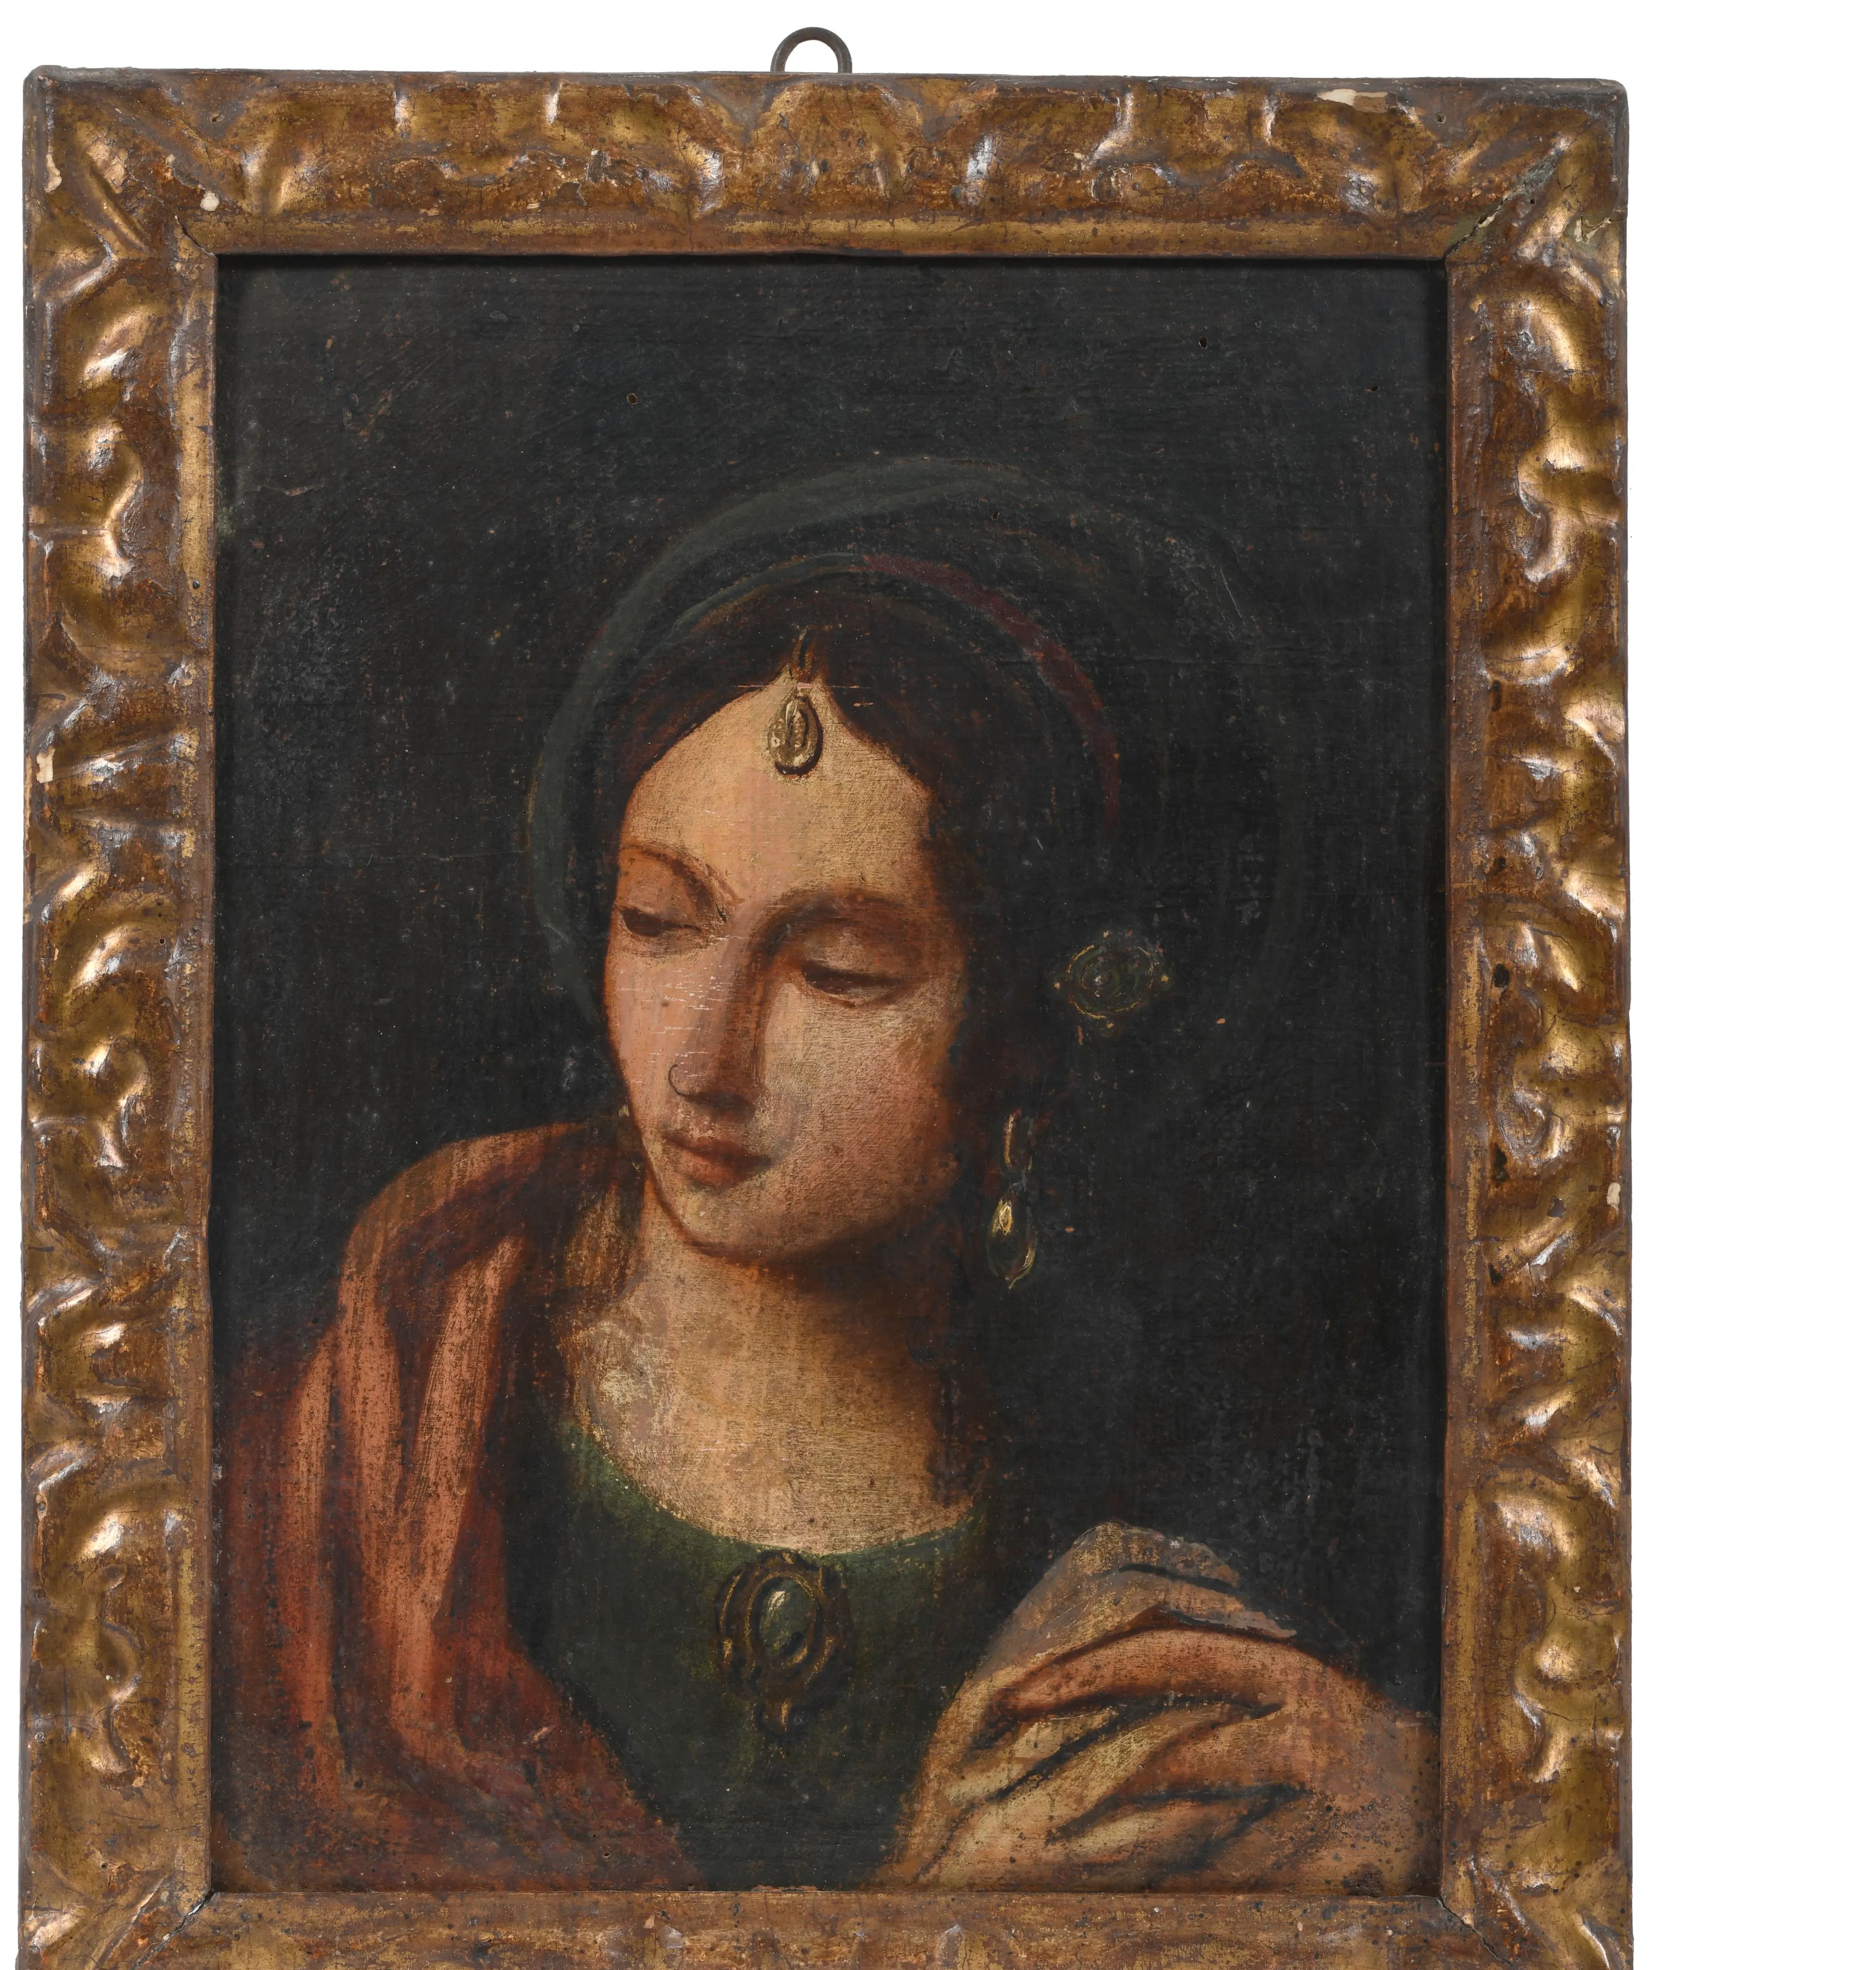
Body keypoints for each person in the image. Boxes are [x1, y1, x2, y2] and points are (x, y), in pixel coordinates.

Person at [217, 563, 1434, 1894]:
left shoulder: (1158, 1505)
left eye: (835, 973)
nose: (705, 1059)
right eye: (658, 923)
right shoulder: (346, 1434)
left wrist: (1434, 1814)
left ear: (1022, 1039)